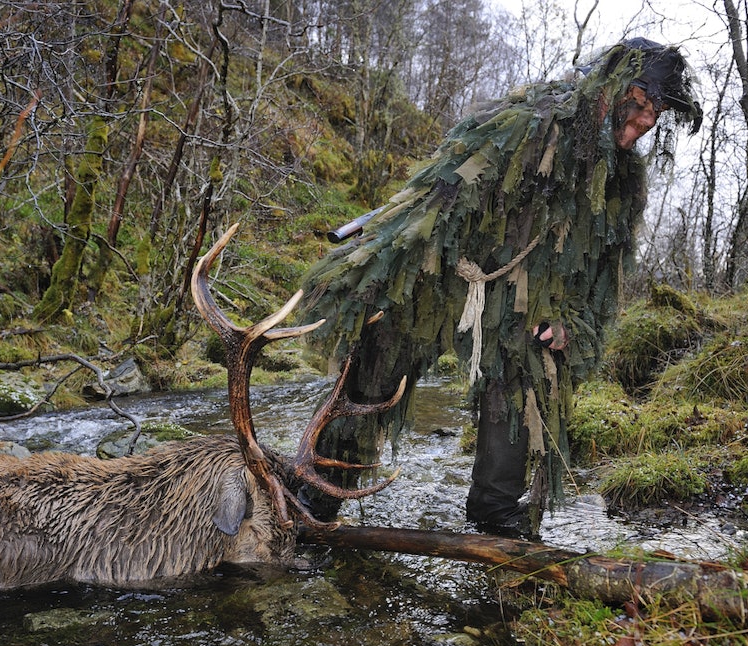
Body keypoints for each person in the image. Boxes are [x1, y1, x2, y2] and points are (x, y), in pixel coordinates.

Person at [299, 38, 702, 537]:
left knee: (520, 392)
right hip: (443, 279)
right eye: (639, 103)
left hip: (520, 308)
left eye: (655, 111)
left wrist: (571, 324)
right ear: (610, 87)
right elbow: (445, 192)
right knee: (373, 377)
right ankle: (315, 500)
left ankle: (498, 525)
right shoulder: (530, 123)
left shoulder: (623, 181)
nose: (645, 121)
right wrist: (386, 254)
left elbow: (603, 275)